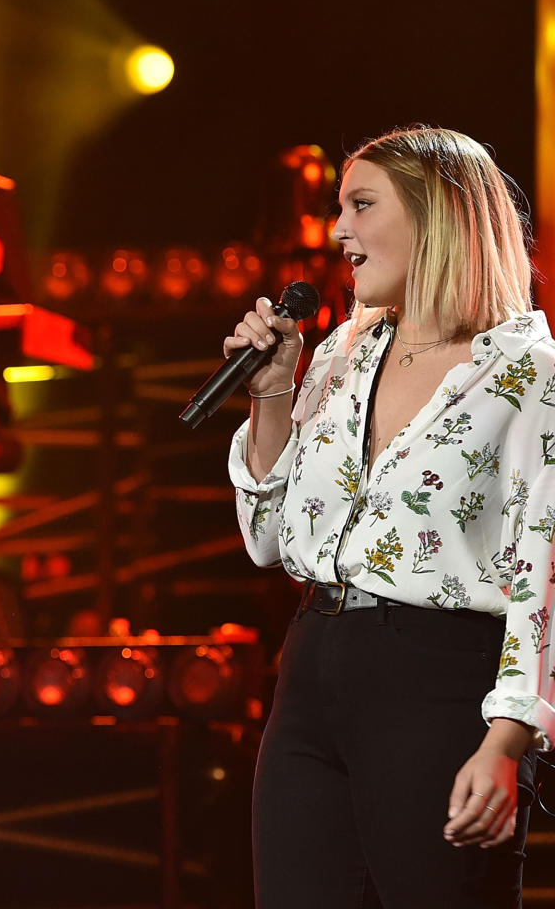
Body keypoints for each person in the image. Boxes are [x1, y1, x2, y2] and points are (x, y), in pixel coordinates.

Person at [226, 126, 551, 907]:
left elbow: (544, 568)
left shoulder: (525, 373)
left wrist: (507, 739)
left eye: (362, 205)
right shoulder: (344, 353)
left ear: (437, 216)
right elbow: (269, 540)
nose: (340, 232)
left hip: (437, 683)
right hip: (312, 671)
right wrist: (272, 389)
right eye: (340, 208)